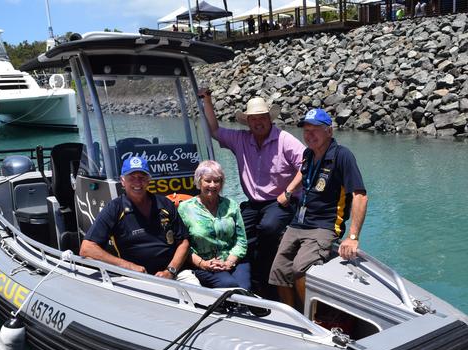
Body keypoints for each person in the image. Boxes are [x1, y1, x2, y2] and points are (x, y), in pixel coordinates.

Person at [198, 90, 305, 299]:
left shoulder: (284, 139)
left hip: (281, 201)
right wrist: (208, 101)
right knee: (236, 232)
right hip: (254, 203)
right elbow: (214, 130)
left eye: (262, 118)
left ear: (269, 119)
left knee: (268, 227)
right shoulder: (240, 139)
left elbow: (307, 163)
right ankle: (246, 279)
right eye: (253, 119)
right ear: (247, 122)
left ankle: (266, 278)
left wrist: (288, 191)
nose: (258, 123)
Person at [269, 108, 368, 309]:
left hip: (324, 225)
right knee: (278, 270)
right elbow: (302, 171)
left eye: (315, 129)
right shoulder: (308, 153)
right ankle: (292, 314)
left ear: (329, 132)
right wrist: (288, 192)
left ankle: (311, 319)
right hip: (299, 221)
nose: (309, 134)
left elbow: (360, 196)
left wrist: (353, 237)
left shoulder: (342, 156)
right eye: (306, 130)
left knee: (300, 268)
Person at [80, 156, 198, 284]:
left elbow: (184, 242)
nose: (137, 182)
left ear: (148, 180)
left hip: (176, 273)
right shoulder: (114, 208)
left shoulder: (165, 204)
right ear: (122, 181)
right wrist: (128, 266)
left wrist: (170, 271)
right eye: (132, 177)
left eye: (142, 177)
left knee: (200, 297)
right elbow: (87, 248)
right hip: (135, 277)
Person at [178, 160, 250, 289]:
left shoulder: (231, 205)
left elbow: (241, 240)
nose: (212, 185)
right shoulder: (185, 208)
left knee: (244, 288)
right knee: (229, 286)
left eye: (217, 181)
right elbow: (182, 244)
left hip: (233, 259)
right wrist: (202, 263)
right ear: (199, 182)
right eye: (208, 180)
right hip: (204, 264)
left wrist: (230, 261)